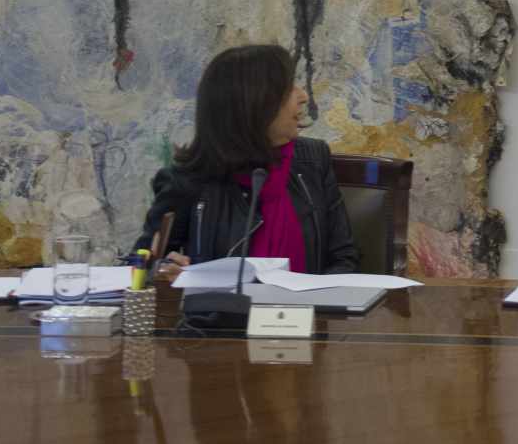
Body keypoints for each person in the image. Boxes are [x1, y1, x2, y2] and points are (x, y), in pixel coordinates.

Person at [134, 43, 358, 278]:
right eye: (288, 88)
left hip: (307, 313)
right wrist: (160, 272)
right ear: (255, 103)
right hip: (220, 313)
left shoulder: (313, 159)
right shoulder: (186, 181)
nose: (303, 96)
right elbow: (140, 268)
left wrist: (325, 305)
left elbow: (343, 258)